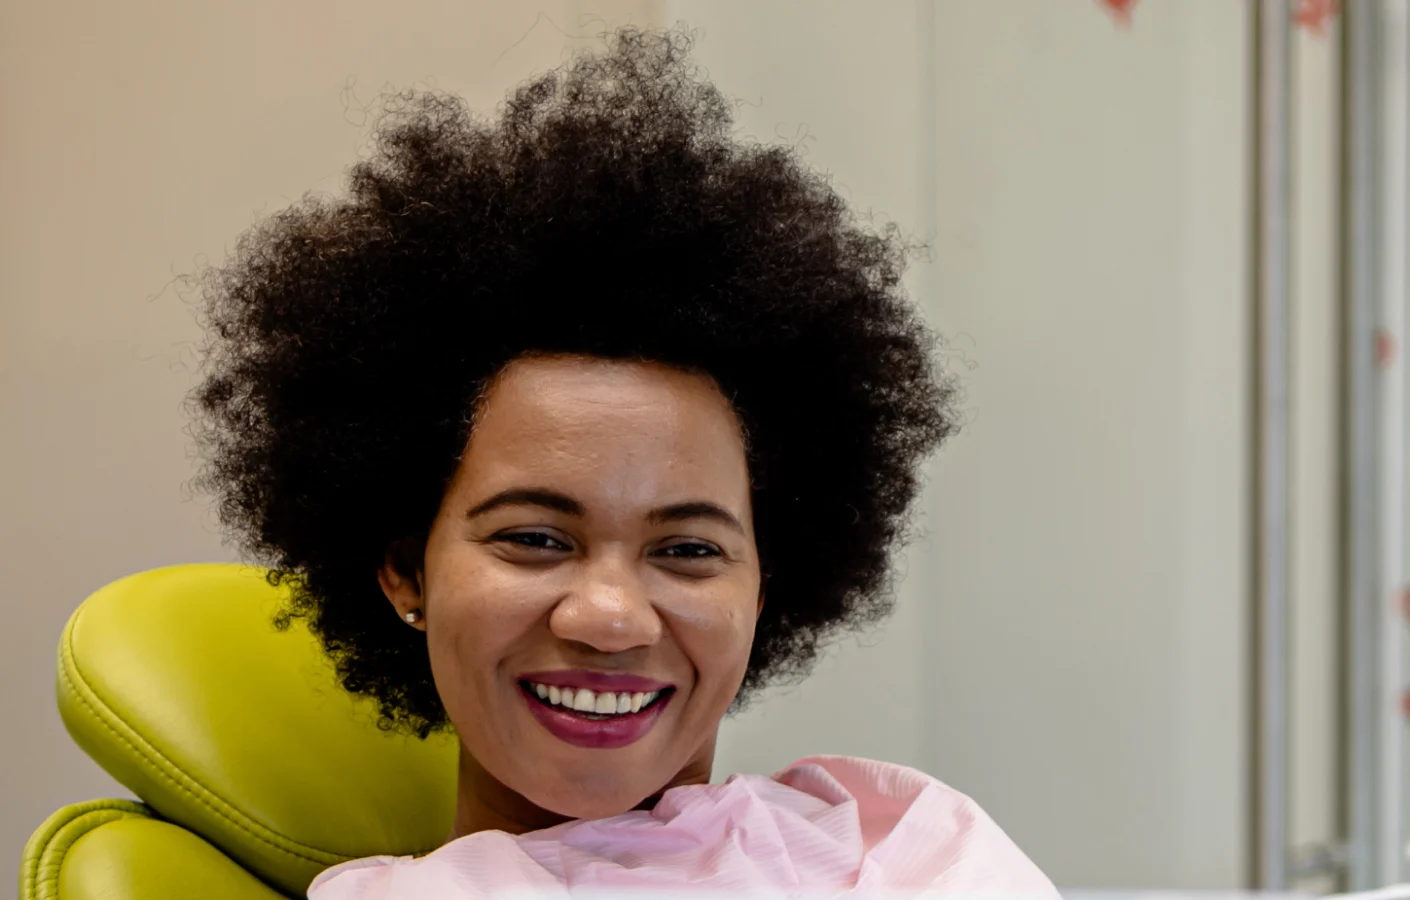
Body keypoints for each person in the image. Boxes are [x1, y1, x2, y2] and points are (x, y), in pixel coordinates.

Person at [191, 27, 1055, 897]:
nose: (610, 618)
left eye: (687, 550)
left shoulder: (901, 842)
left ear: (761, 590)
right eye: (534, 537)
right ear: (406, 570)